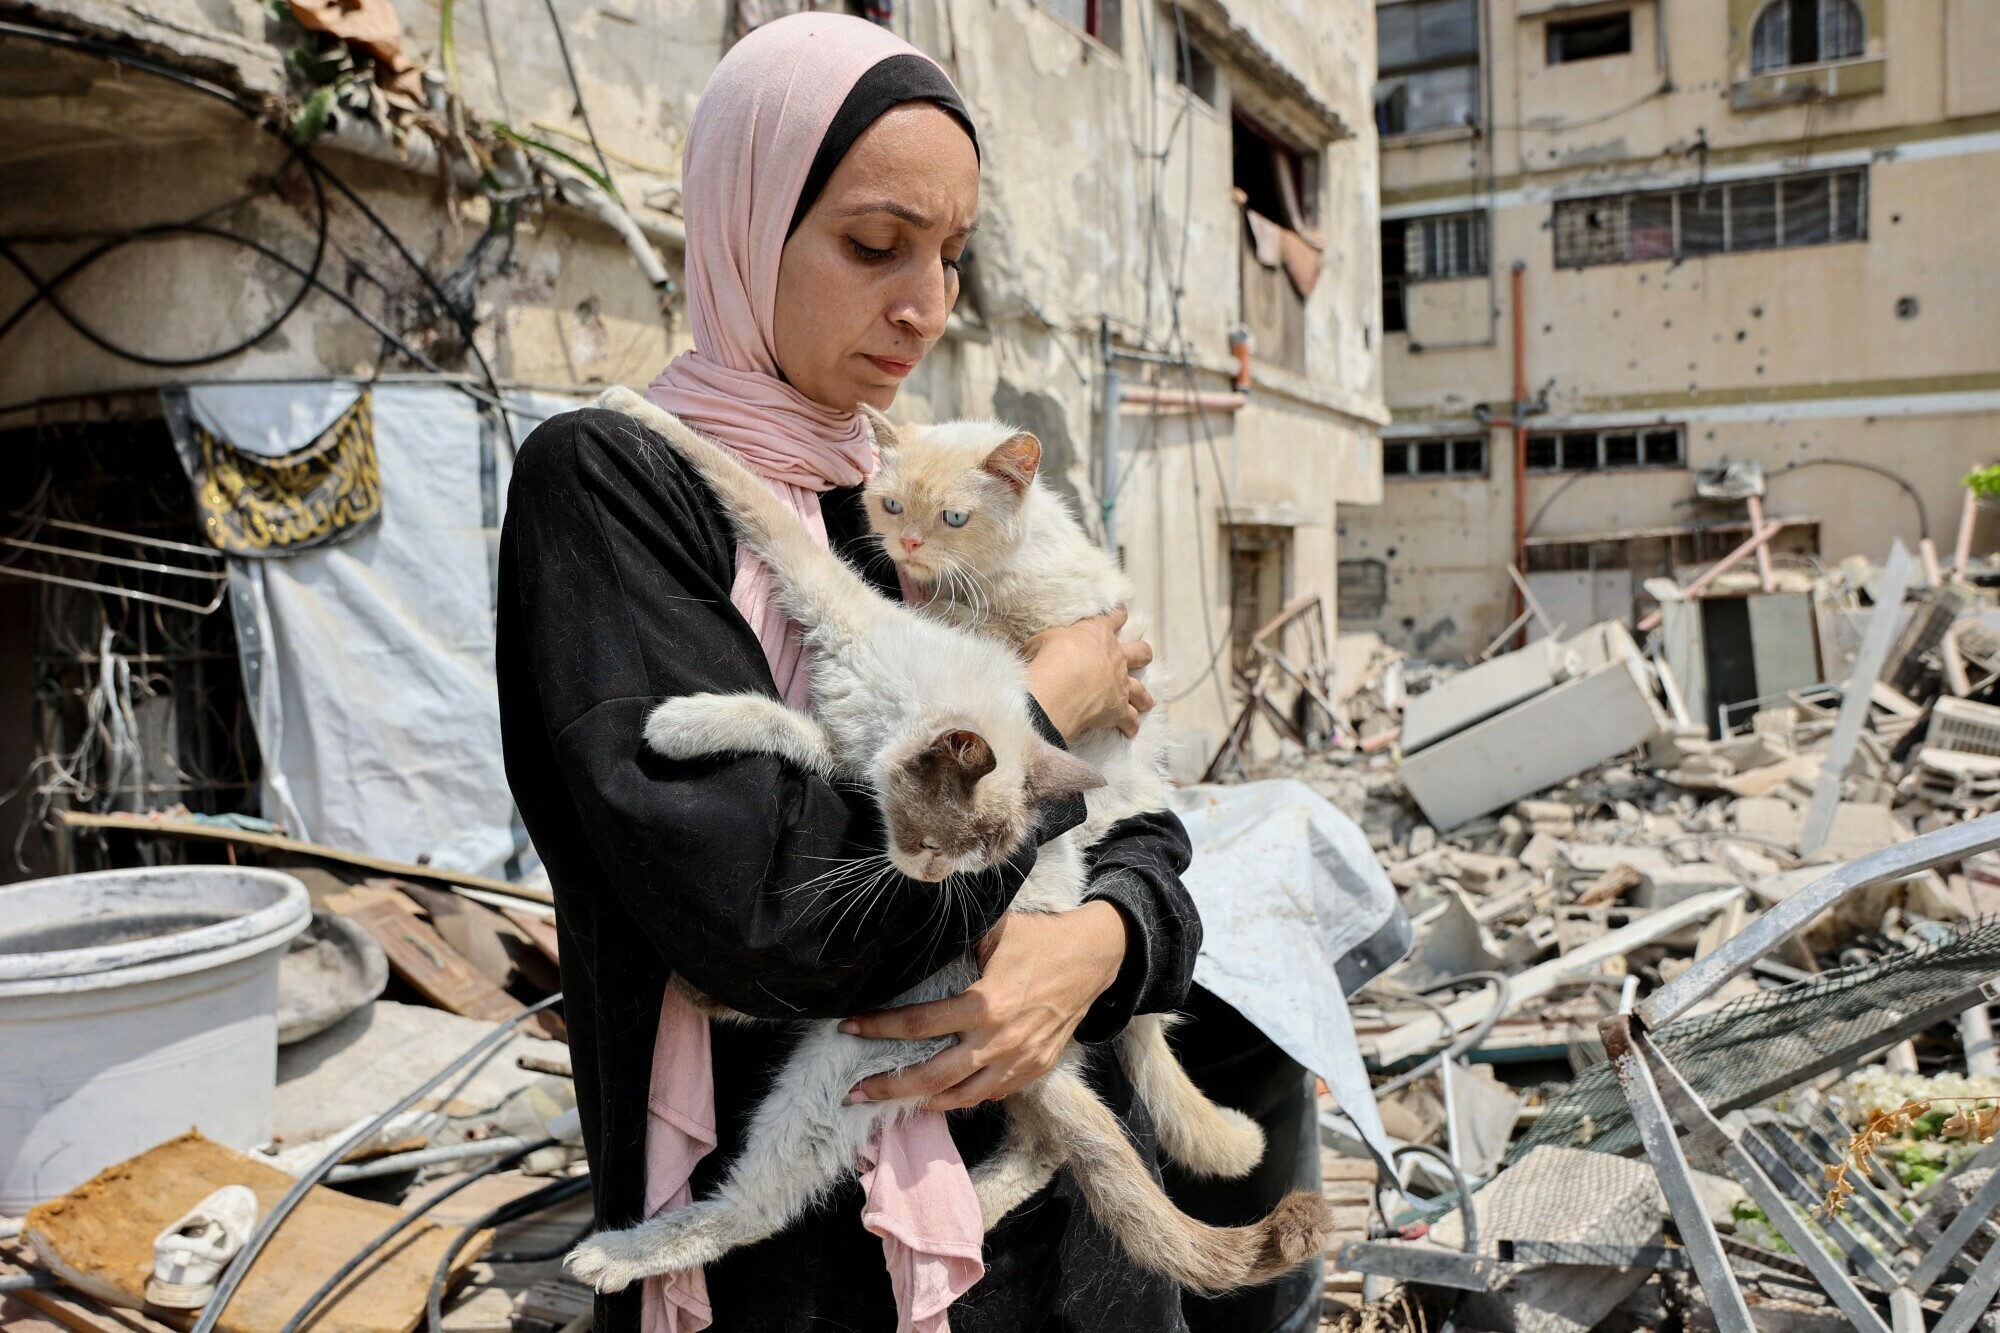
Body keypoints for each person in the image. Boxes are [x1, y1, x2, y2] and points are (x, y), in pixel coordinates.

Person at [496, 14, 1201, 1332]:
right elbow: (768, 914)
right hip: (815, 1273)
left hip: (1070, 1243)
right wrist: (1042, 703)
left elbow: (1145, 821)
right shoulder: (615, 487)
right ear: (745, 219)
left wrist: (1088, 952)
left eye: (951, 256)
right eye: (877, 245)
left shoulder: (908, 492)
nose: (926, 302)